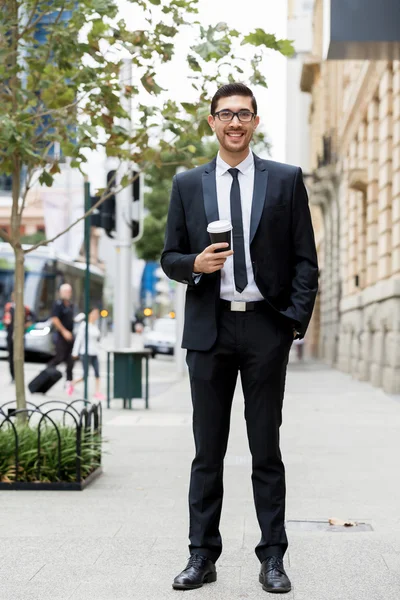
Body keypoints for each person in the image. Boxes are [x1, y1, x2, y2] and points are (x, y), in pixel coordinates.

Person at [161, 83, 318, 594]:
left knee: (265, 450)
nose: (235, 122)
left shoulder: (286, 180)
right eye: (225, 114)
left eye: (244, 114)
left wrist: (292, 323)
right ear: (211, 121)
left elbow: (304, 261)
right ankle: (201, 555)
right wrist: (194, 265)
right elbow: (169, 257)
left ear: (255, 121)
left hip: (264, 328)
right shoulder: (187, 184)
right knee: (208, 451)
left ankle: (273, 557)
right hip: (208, 330)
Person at [71, 307, 104, 400]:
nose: (95, 316)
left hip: (95, 352)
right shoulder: (84, 325)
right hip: (85, 352)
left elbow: (97, 341)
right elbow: (79, 339)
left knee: (97, 373)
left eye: (97, 314)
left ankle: (97, 392)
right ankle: (72, 383)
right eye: (94, 313)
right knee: (85, 375)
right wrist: (75, 352)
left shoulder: (95, 326)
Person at [48, 283, 75, 396]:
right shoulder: (58, 305)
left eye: (69, 291)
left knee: (70, 361)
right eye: (65, 291)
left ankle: (69, 384)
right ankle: (47, 372)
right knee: (59, 357)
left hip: (70, 335)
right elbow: (55, 319)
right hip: (61, 336)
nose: (67, 294)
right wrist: (64, 331)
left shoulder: (70, 305)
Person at [2, 292, 33, 382]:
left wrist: (27, 324)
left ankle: (19, 375)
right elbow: (4, 318)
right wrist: (5, 322)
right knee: (11, 356)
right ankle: (13, 376)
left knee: (20, 356)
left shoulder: (24, 308)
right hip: (10, 334)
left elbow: (33, 316)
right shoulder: (8, 307)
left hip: (20, 335)